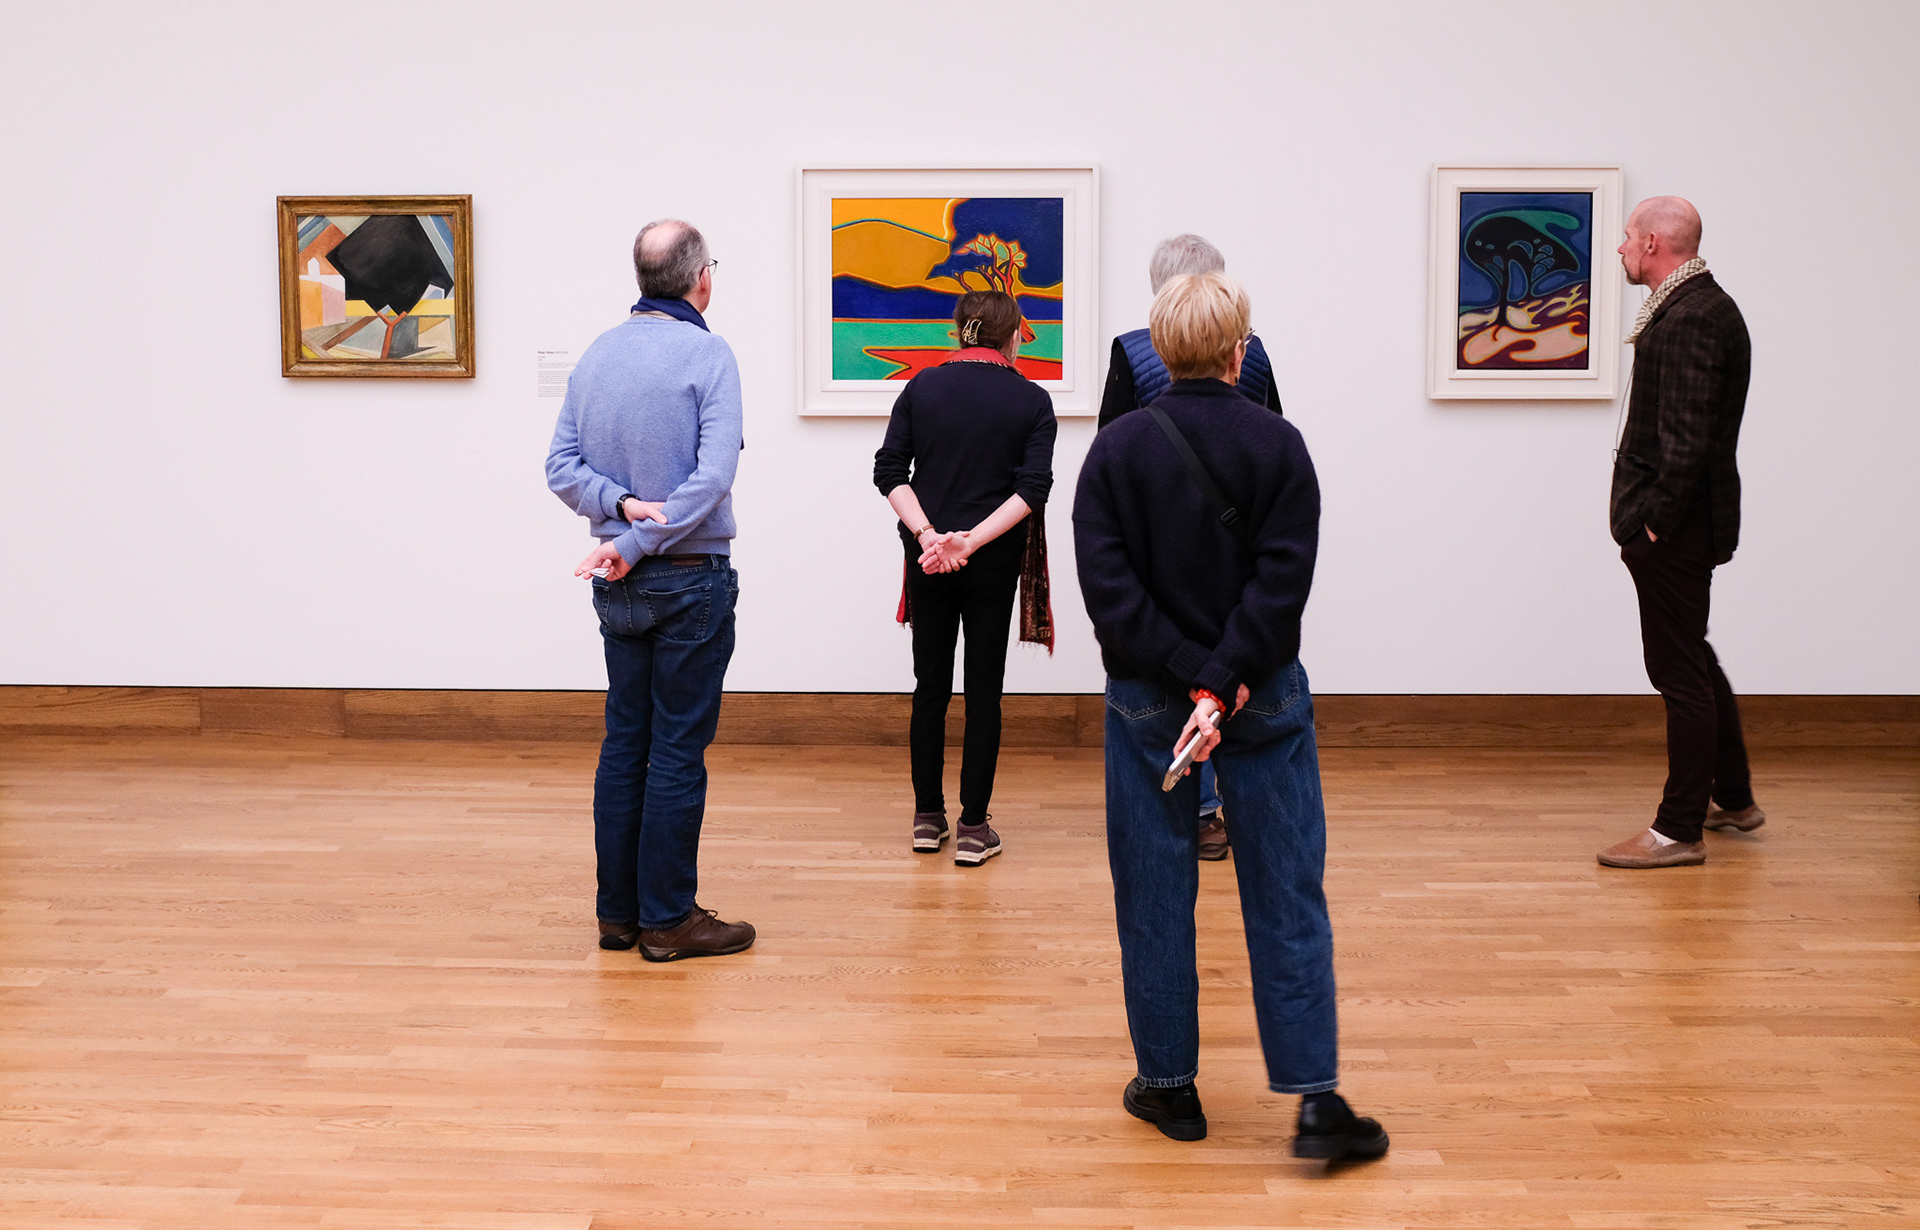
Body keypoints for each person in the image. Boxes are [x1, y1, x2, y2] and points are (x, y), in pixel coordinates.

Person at [1073, 271, 1387, 1161]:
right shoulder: (1279, 444)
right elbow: (1283, 581)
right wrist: (1224, 678)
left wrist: (1188, 678)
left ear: (1158, 352)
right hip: (1262, 692)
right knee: (1287, 890)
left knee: (1154, 891)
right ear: (1240, 351)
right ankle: (1316, 1102)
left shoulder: (1114, 453)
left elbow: (1111, 596)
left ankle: (1170, 1088)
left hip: (1149, 701)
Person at [544, 218, 755, 959]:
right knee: (674, 751)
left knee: (625, 743)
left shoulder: (598, 353)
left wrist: (620, 513)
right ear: (701, 278)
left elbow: (561, 468)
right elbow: (713, 478)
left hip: (618, 583)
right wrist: (635, 532)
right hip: (687, 576)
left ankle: (618, 916)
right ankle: (668, 921)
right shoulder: (708, 353)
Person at [1099, 234, 1286, 862]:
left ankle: (1196, 810)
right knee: (1235, 668)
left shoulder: (1133, 349)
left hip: (1161, 549)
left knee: (1174, 674)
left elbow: (1110, 447)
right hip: (1237, 551)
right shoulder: (1253, 353)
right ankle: (1231, 807)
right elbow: (1274, 436)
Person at [1598, 197, 1764, 869]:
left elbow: (1687, 442)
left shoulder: (1692, 317)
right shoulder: (1695, 306)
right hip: (1685, 523)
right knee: (1691, 655)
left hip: (1677, 528)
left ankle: (1678, 830)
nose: (1620, 248)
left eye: (1628, 237)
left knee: (1678, 673)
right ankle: (1734, 796)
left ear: (1654, 244)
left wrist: (1653, 526)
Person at [873, 290, 1057, 866]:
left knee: (929, 688)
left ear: (960, 332)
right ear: (1012, 336)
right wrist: (971, 542)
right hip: (991, 564)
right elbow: (1032, 490)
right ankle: (974, 828)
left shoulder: (920, 388)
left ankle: (927, 819)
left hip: (927, 560)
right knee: (984, 693)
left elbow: (889, 473)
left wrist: (929, 536)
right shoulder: (1032, 400)